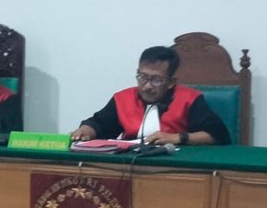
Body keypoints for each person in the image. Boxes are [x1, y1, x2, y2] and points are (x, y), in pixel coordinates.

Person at [70, 45, 229, 145]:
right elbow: (100, 124)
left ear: (171, 82)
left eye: (156, 80)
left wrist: (177, 138)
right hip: (128, 164)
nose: (147, 86)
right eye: (143, 77)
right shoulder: (123, 98)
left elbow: (217, 135)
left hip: (176, 166)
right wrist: (87, 130)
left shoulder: (189, 99)